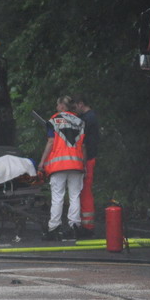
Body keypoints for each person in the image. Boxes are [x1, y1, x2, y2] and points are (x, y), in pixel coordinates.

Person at [38, 95, 86, 241]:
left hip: (58, 165)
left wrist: (42, 162)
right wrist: (83, 164)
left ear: (62, 106)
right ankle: (75, 226)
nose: (56, 108)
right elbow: (83, 145)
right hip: (76, 164)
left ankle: (54, 228)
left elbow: (51, 142)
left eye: (57, 105)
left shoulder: (53, 121)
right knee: (74, 196)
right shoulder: (80, 122)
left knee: (58, 197)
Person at [73, 96, 99, 238]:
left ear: (81, 104)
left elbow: (83, 143)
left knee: (85, 191)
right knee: (85, 190)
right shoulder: (92, 117)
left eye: (75, 107)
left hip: (87, 159)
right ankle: (87, 224)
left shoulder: (87, 120)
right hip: (90, 158)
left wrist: (82, 163)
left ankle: (87, 226)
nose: (75, 111)